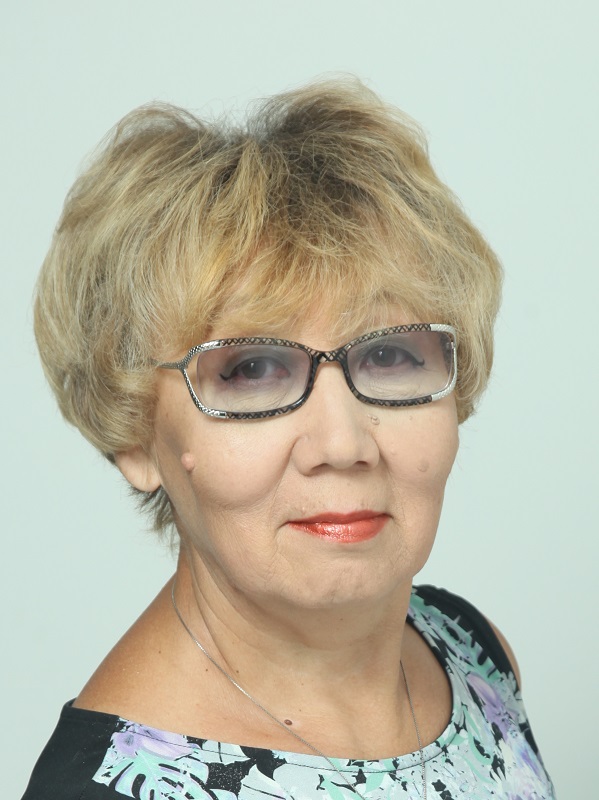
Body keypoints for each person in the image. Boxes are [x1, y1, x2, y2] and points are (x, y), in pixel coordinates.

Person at [22, 79, 555, 799]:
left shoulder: (472, 654)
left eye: (389, 354)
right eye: (252, 370)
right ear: (135, 434)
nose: (342, 443)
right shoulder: (108, 789)